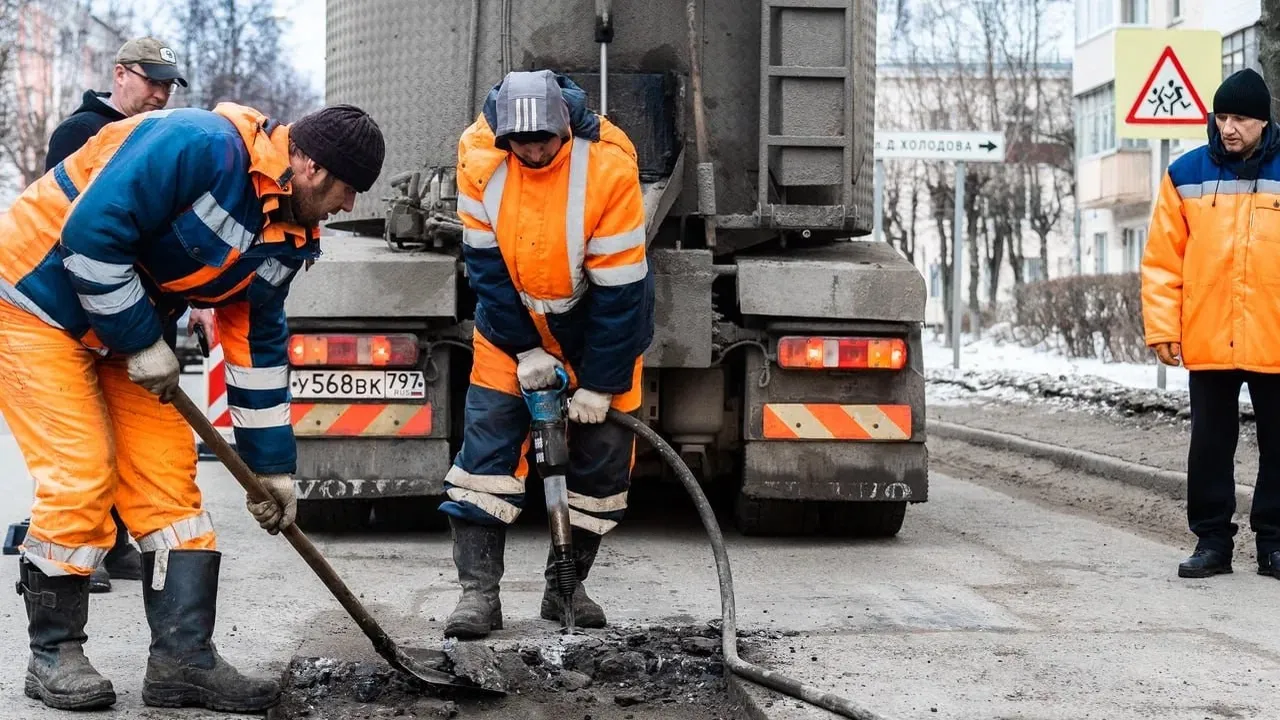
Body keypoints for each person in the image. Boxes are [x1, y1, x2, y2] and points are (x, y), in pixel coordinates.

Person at [0, 101, 385, 712]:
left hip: (118, 327)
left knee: (171, 490)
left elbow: (257, 345)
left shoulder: (288, 235)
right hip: (33, 303)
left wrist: (271, 469)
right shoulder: (198, 144)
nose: (349, 206)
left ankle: (182, 662)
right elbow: (90, 236)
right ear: (311, 167)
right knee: (81, 474)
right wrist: (140, 341)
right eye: (348, 189)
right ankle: (53, 655)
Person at [441, 69, 654, 640]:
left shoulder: (608, 164)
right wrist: (526, 348)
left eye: (544, 141)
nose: (533, 152)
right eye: (521, 142)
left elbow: (622, 291)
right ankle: (478, 596)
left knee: (603, 464)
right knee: (484, 459)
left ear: (565, 127)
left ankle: (565, 588)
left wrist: (601, 382)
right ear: (503, 136)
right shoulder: (479, 157)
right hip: (510, 332)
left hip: (597, 332)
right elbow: (485, 269)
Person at [35, 35, 216, 595]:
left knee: (138, 439)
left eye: (168, 85)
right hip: (88, 314)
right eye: (151, 80)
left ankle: (115, 543)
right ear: (120, 74)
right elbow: (75, 229)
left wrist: (198, 300)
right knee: (85, 441)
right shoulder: (79, 133)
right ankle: (81, 553)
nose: (160, 92)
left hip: (143, 314)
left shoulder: (163, 137)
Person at [1142, 67, 1280, 581]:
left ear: (1263, 121)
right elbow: (1162, 262)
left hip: (1274, 337)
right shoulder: (1185, 174)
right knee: (1209, 448)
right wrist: (1163, 328)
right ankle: (1212, 543)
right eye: (1222, 117)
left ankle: (1274, 545)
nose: (1228, 128)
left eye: (1240, 118)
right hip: (1209, 335)